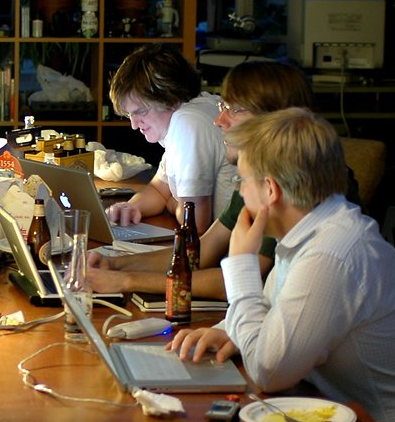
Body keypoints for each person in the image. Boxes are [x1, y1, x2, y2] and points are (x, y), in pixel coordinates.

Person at [168, 108, 395, 422]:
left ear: (270, 190)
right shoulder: (315, 228)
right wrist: (230, 328)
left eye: (242, 180)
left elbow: (269, 371)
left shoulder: (331, 254)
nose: (240, 192)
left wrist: (241, 261)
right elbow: (275, 308)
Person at [89, 60, 318, 298]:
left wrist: (126, 280)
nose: (219, 121)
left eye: (234, 110)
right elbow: (200, 252)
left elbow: (236, 283)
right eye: (223, 106)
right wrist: (113, 264)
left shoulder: (296, 183)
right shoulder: (258, 175)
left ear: (276, 119)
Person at [104, 45, 233, 236]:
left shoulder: (188, 123)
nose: (133, 125)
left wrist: (174, 203)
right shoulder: (199, 107)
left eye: (141, 112)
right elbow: (159, 189)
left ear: (170, 98)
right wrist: (130, 207)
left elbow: (195, 224)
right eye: (129, 115)